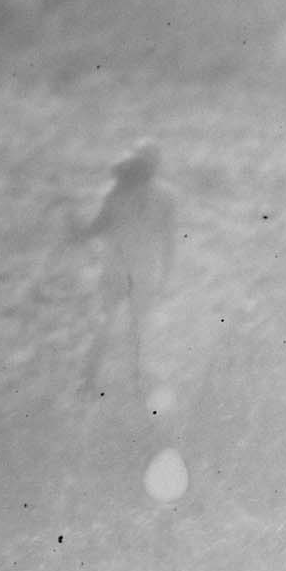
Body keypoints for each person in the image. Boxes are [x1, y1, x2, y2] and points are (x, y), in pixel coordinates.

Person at [68, 141, 177, 397]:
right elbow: (169, 239)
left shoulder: (114, 191)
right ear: (157, 165)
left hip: (114, 268)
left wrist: (74, 226)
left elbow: (93, 229)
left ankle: (88, 381)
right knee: (137, 329)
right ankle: (136, 382)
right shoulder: (167, 195)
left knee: (104, 325)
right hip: (144, 270)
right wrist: (166, 275)